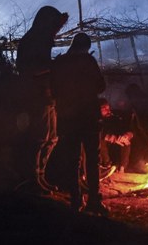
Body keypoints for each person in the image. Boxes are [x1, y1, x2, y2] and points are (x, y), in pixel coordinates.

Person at [50, 33, 108, 215]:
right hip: (88, 117)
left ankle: (76, 199)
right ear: (85, 47)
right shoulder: (88, 62)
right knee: (92, 159)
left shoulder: (60, 62)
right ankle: (93, 199)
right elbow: (100, 86)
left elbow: (54, 89)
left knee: (72, 159)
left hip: (68, 118)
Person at [15, 5, 68, 194]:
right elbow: (29, 69)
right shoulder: (31, 41)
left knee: (52, 138)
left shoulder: (41, 38)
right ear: (45, 22)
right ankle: (32, 179)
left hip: (47, 95)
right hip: (35, 95)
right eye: (53, 24)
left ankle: (40, 176)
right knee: (39, 138)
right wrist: (53, 66)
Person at [99, 97, 133, 176]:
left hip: (113, 147)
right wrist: (110, 138)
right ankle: (106, 166)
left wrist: (127, 135)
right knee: (100, 141)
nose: (108, 110)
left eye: (108, 108)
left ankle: (122, 168)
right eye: (104, 109)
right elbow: (96, 134)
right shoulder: (94, 120)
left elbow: (127, 129)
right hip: (101, 149)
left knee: (126, 142)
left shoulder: (114, 118)